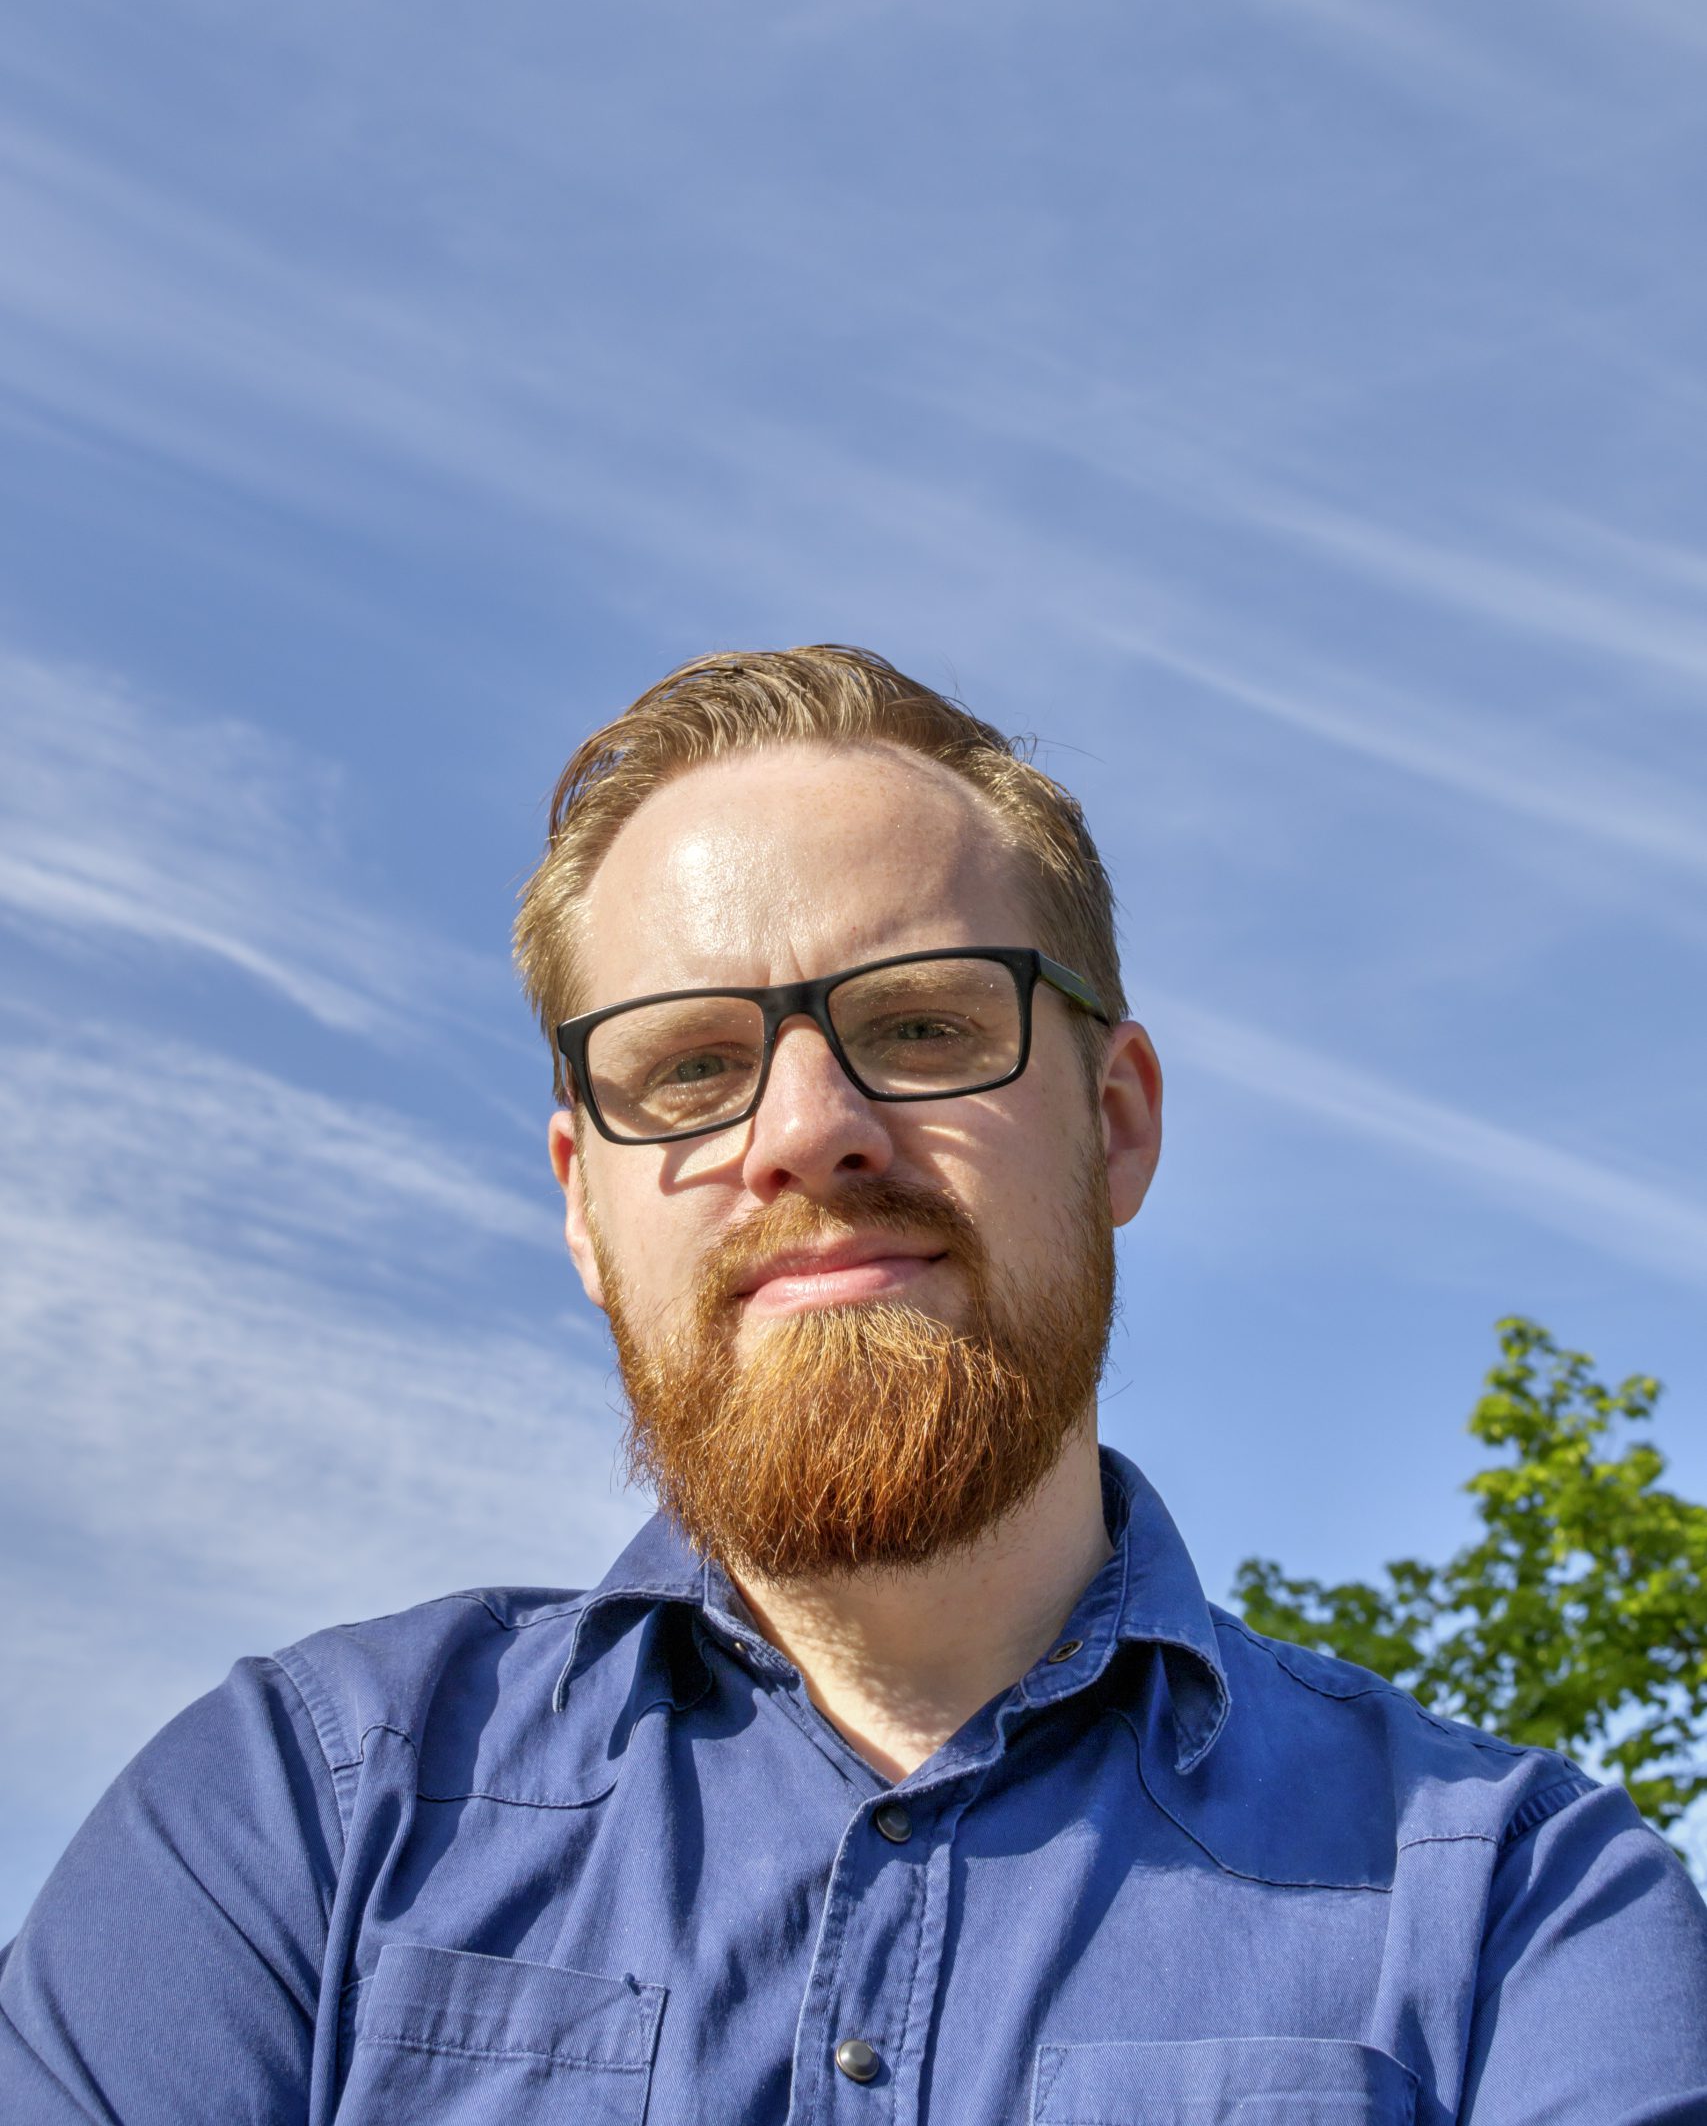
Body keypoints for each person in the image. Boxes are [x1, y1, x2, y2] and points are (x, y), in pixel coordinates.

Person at [3, 644, 1705, 2126]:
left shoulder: (1521, 1910)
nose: (808, 1130)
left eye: (925, 1027)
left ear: (1116, 1124)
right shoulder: (291, 1824)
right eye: (688, 1066)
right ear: (584, 1207)